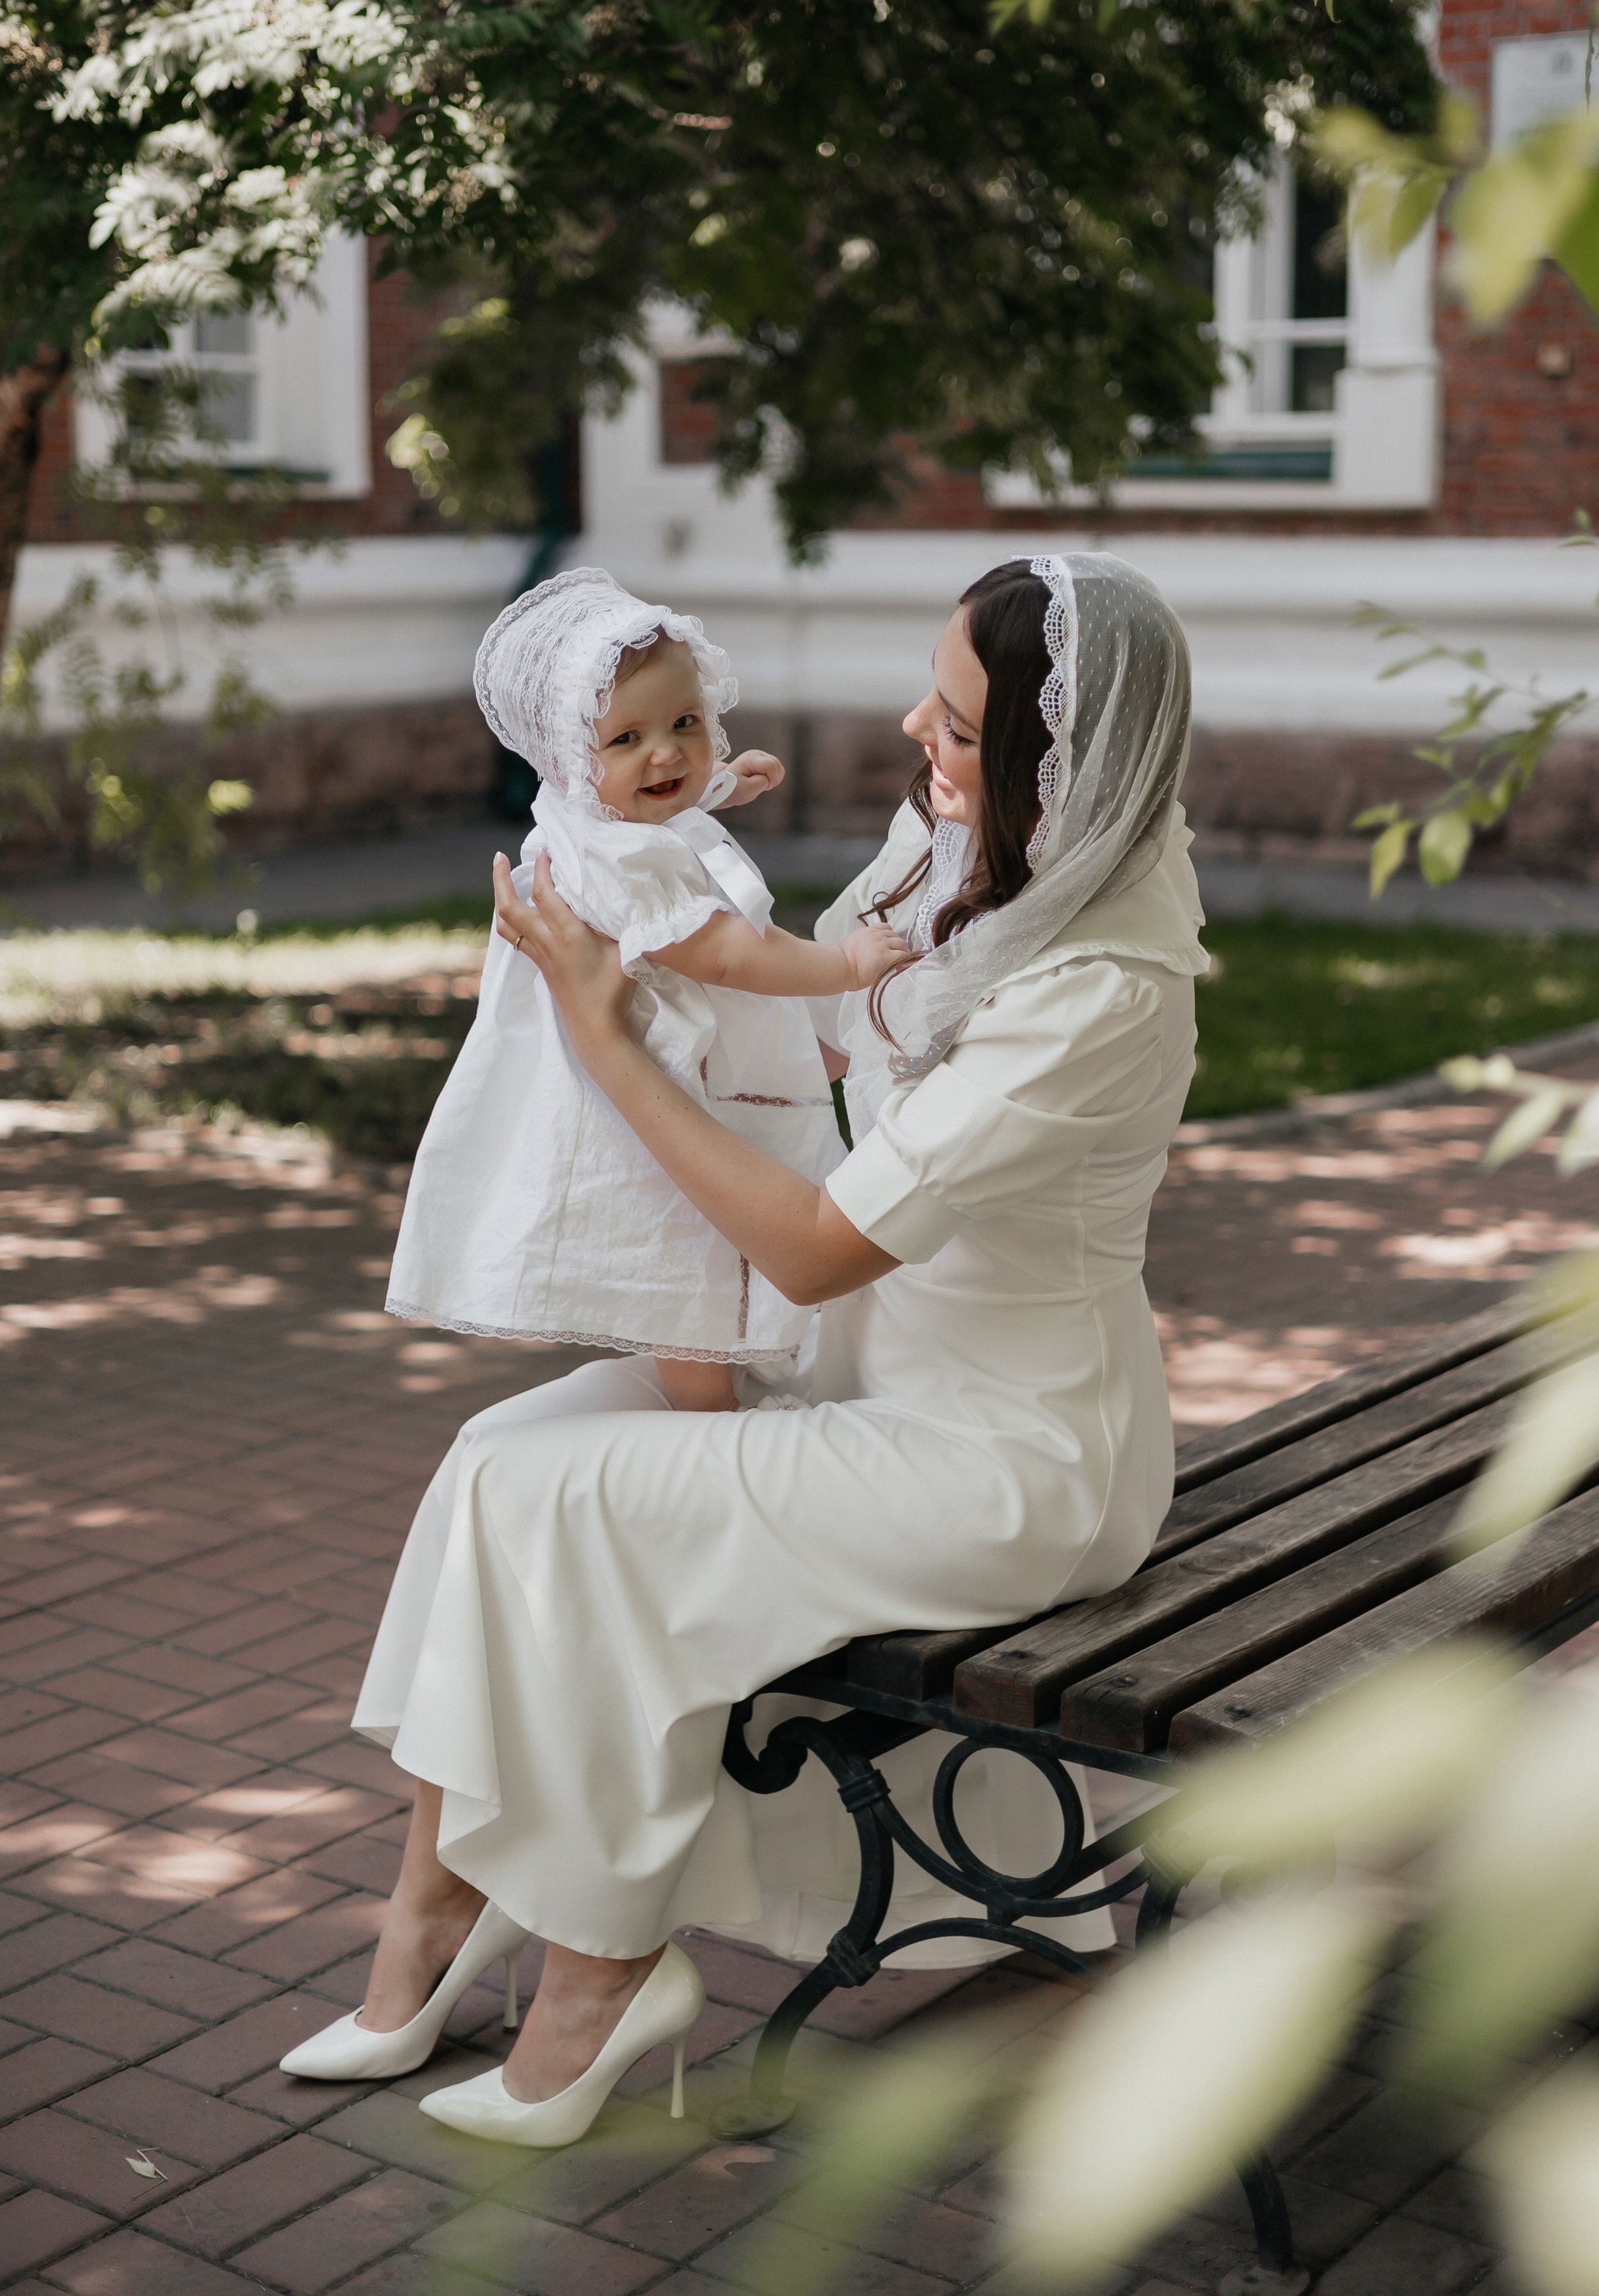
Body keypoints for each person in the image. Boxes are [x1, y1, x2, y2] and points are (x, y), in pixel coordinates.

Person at [279, 549, 1207, 2154]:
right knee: (497, 1457)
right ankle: (432, 1917)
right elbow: (802, 996)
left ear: (1060, 766)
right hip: (863, 1373)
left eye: (959, 724)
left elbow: (814, 1246)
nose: (915, 730)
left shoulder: (1099, 988)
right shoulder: (970, 854)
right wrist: (648, 866)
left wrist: (606, 1040)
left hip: (1006, 1458)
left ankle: (604, 1972)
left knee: (579, 1504)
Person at [386, 565, 907, 1413]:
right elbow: (727, 955)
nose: (666, 753)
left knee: (767, 1131)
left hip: (668, 1031)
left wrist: (725, 781)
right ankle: (706, 1415)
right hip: (666, 1057)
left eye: (686, 723)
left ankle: (751, 1358)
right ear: (569, 756)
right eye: (627, 738)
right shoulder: (621, 860)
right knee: (687, 1257)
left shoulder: (593, 810)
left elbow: (660, 796)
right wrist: (843, 965)